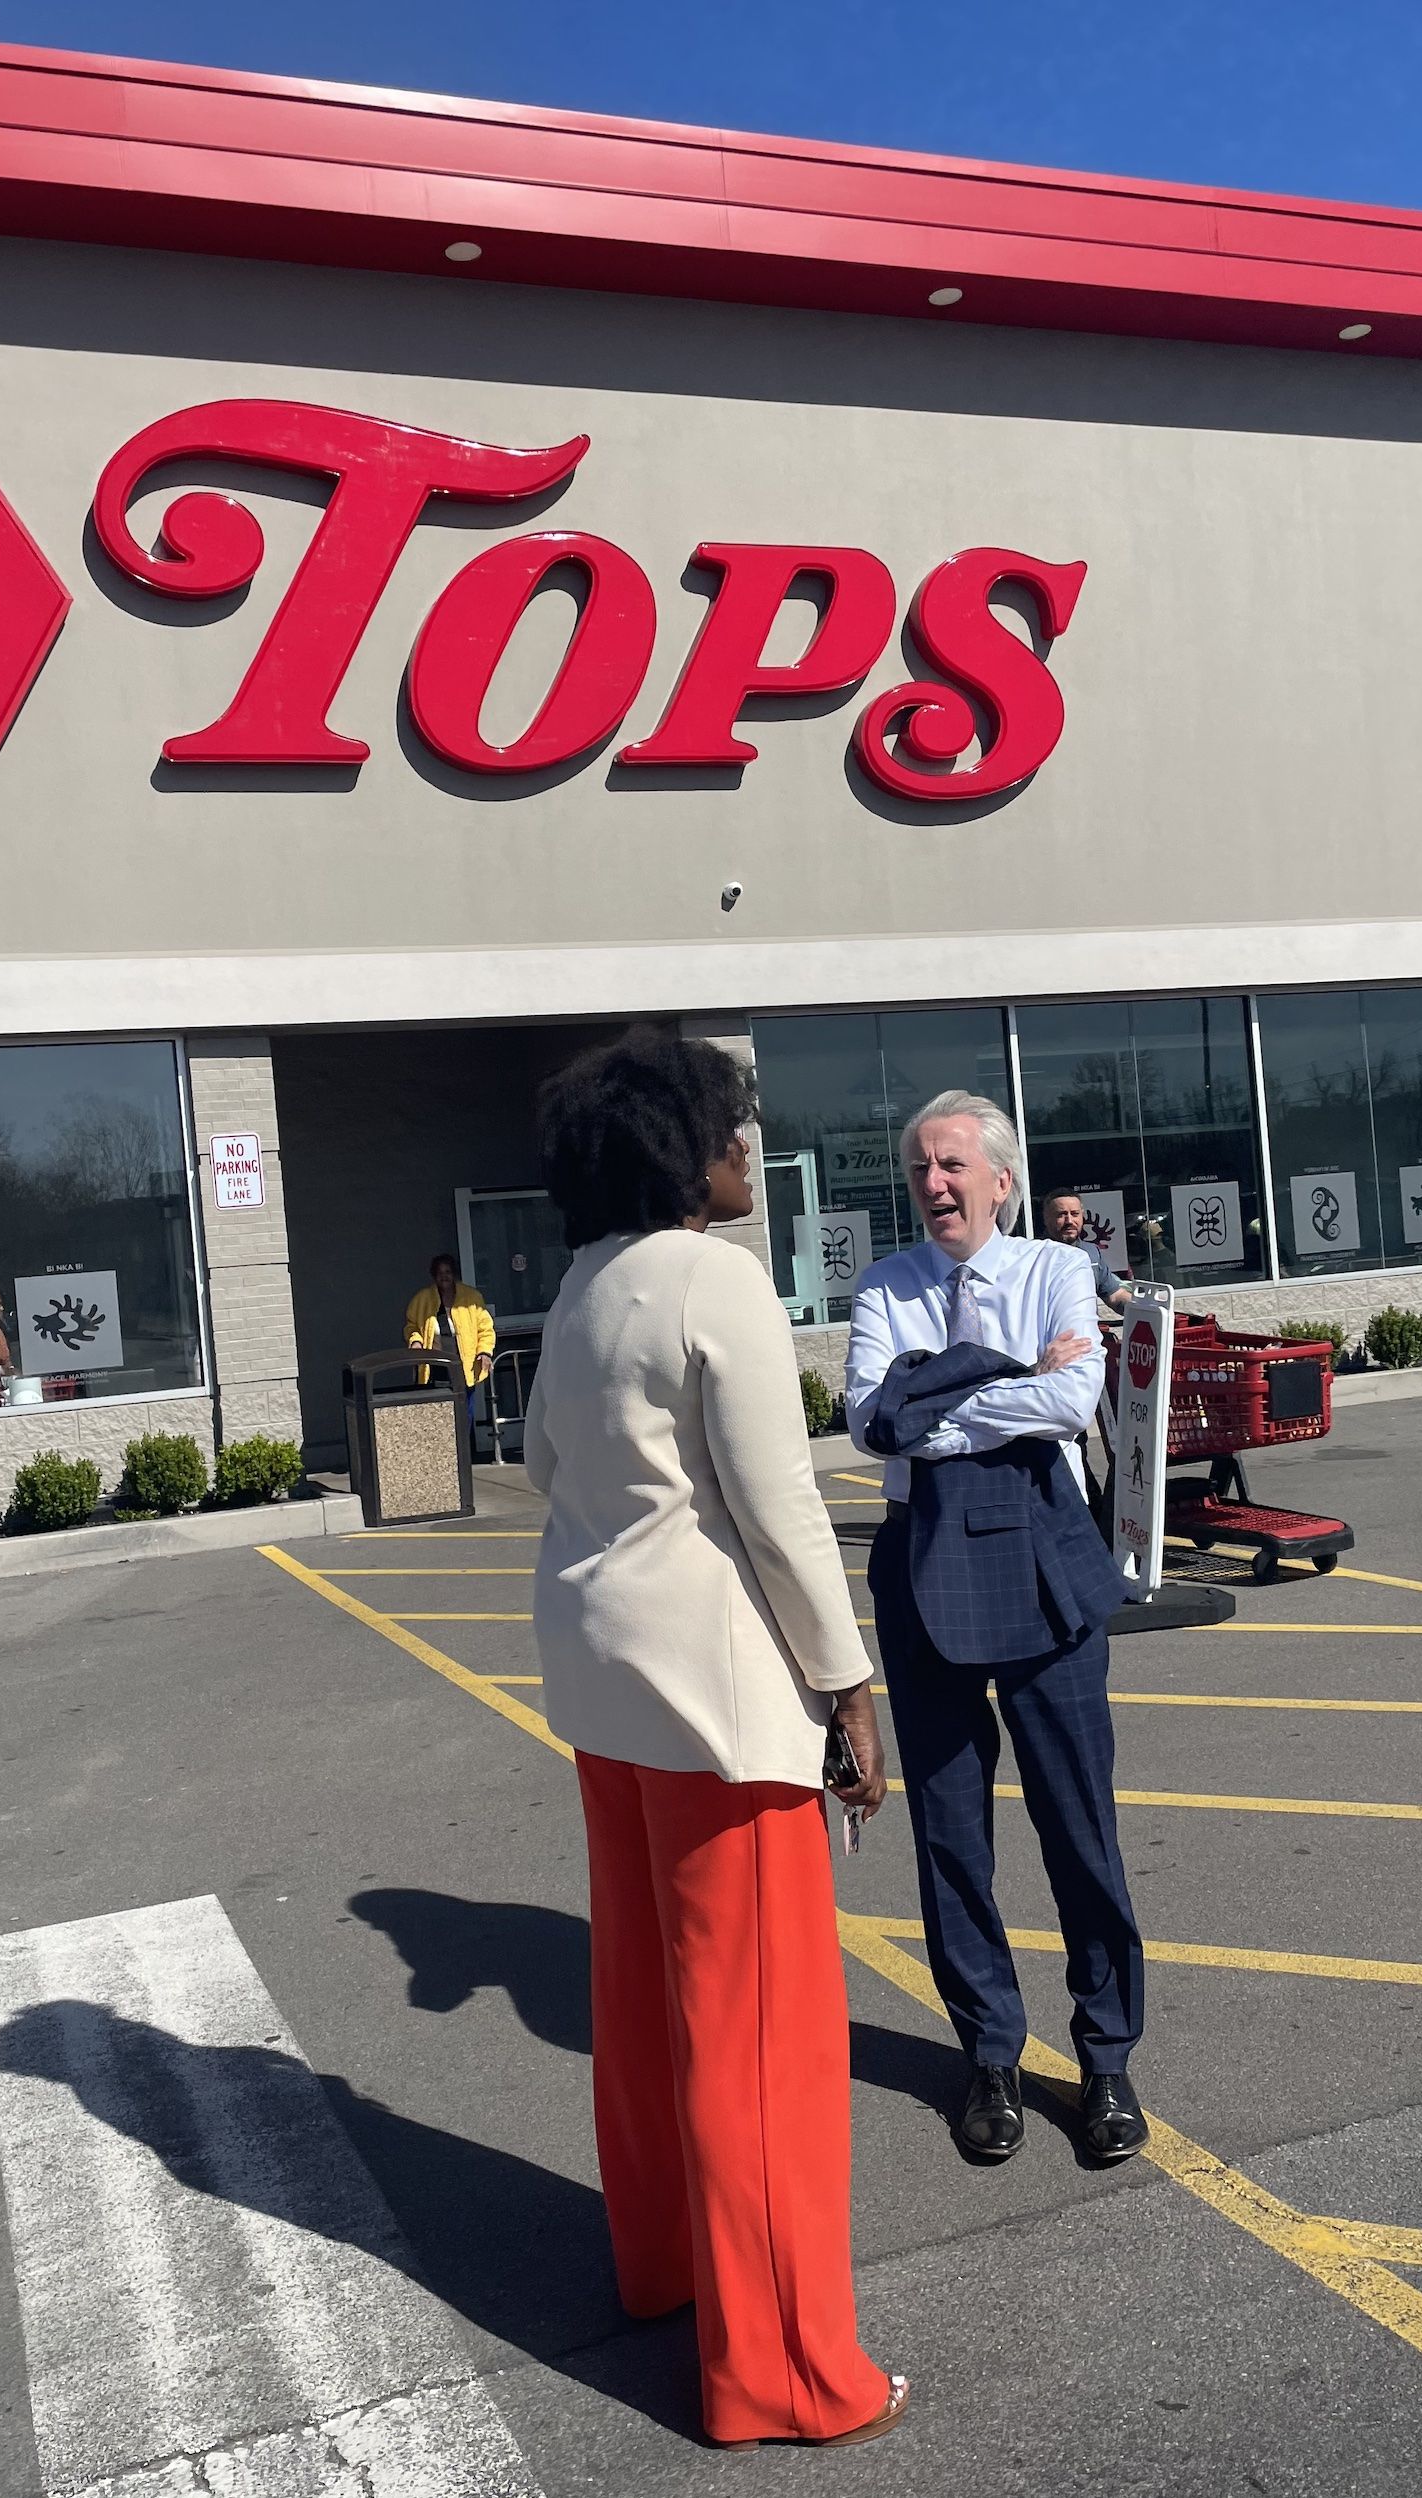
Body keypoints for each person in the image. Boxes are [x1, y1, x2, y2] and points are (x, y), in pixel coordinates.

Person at [523, 1031, 907, 2452]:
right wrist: (849, 1688)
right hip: (719, 1702)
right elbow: (780, 1506)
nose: (751, 1146)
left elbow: (539, 1465)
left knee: (644, 2003)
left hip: (605, 1684)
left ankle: (665, 2269)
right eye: (733, 1126)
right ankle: (791, 2374)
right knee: (762, 2043)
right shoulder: (715, 1281)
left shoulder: (579, 1285)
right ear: (683, 1149)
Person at [846, 1090, 1149, 2168]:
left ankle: (1105, 2054)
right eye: (920, 1166)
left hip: (1041, 1548)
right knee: (949, 1834)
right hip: (919, 1561)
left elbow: (1070, 1404)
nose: (933, 1182)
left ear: (1000, 1179)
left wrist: (935, 1397)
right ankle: (987, 2053)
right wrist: (1004, 1371)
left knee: (1078, 1823)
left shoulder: (1057, 1270)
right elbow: (868, 1420)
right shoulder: (884, 1283)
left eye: (951, 1164)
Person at [403, 1254, 495, 1417]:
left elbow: (485, 1329)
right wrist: (416, 1341)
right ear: (434, 1275)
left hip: (463, 1365)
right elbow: (412, 1326)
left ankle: (466, 1442)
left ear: (454, 1274)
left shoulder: (471, 1297)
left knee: (464, 1413)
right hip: (436, 1366)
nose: (444, 1276)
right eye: (439, 1273)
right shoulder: (422, 1299)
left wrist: (484, 1352)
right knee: (439, 1414)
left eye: (448, 1272)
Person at [1041, 1189, 1132, 1311]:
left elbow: (1115, 1296)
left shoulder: (1092, 1253)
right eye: (1061, 1214)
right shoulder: (1034, 1256)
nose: (1069, 1221)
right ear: (1046, 1218)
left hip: (1086, 1328)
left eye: (1075, 1214)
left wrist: (1144, 1309)